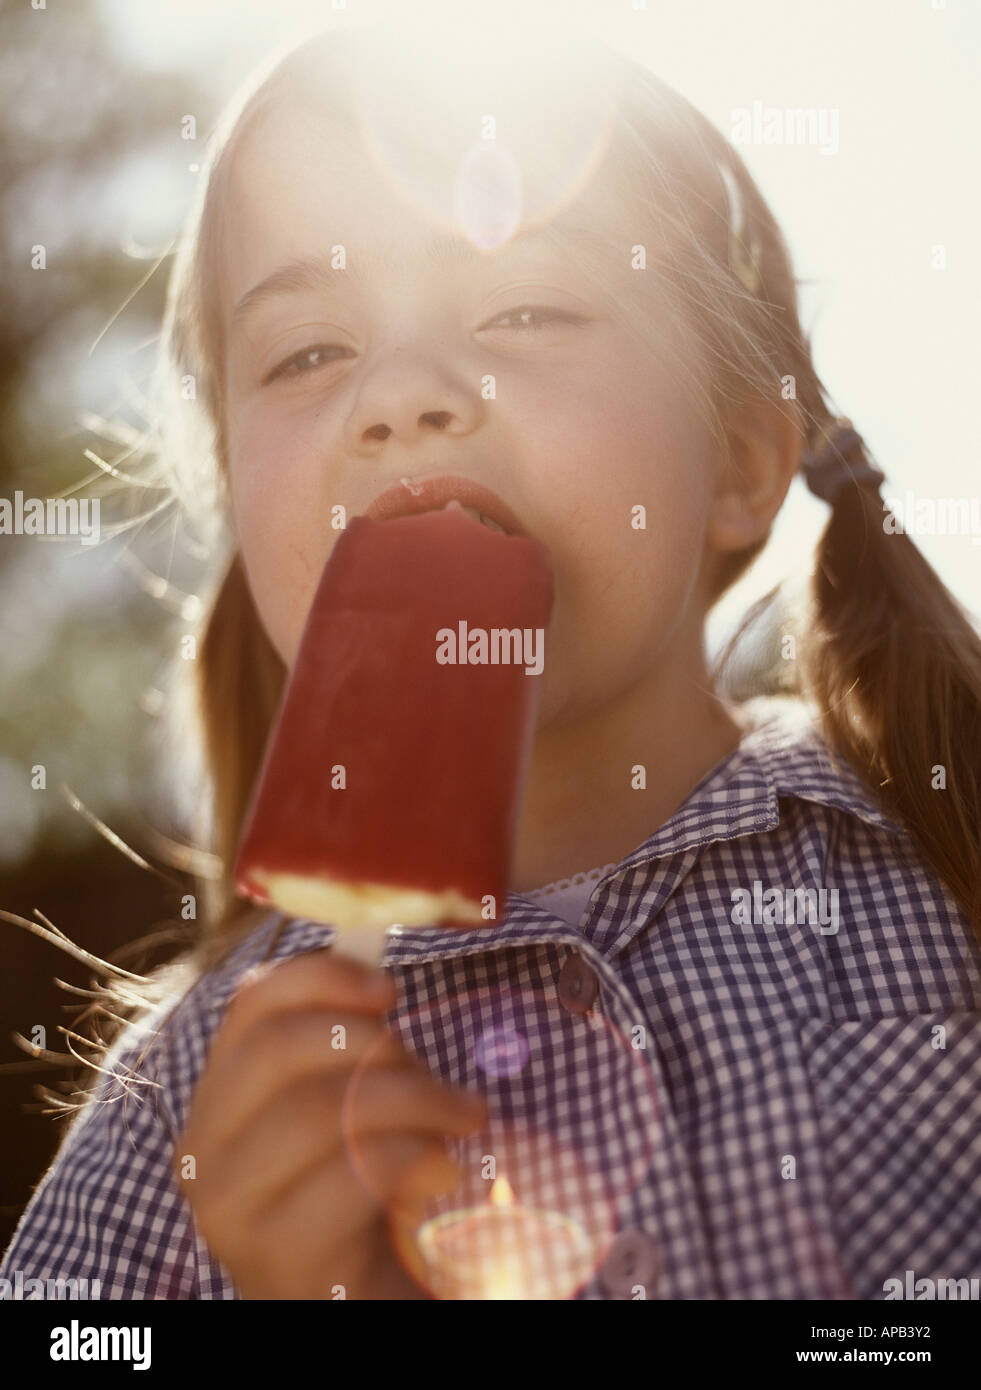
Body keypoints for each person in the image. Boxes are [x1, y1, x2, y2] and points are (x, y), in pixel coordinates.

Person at [3, 24, 979, 1300]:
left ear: (742, 461)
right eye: (307, 351)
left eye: (526, 305)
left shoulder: (949, 866)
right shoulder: (171, 1125)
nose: (403, 393)